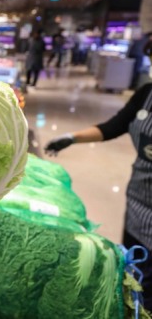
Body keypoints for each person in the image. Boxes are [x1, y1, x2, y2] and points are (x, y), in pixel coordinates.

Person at [45, 82, 152, 309]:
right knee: (135, 272)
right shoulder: (147, 93)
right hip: (139, 201)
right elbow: (114, 126)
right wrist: (71, 138)